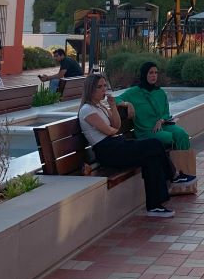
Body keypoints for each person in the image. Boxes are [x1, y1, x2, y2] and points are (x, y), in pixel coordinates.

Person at [78, 73, 180, 217]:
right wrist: (112, 131)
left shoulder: (100, 106)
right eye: (99, 87)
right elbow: (110, 131)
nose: (103, 90)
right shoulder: (86, 110)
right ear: (90, 89)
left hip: (116, 145)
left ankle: (155, 206)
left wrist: (113, 105)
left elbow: (116, 126)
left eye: (104, 86)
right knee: (154, 144)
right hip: (108, 151)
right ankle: (173, 176)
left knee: (151, 157)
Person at [117, 62, 192, 151]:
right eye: (151, 73)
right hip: (146, 131)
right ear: (144, 74)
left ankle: (183, 164)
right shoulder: (133, 92)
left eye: (156, 73)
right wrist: (127, 104)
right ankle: (174, 163)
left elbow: (166, 113)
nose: (154, 75)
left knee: (182, 134)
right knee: (170, 138)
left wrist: (161, 120)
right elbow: (115, 99)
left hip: (163, 126)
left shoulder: (160, 93)